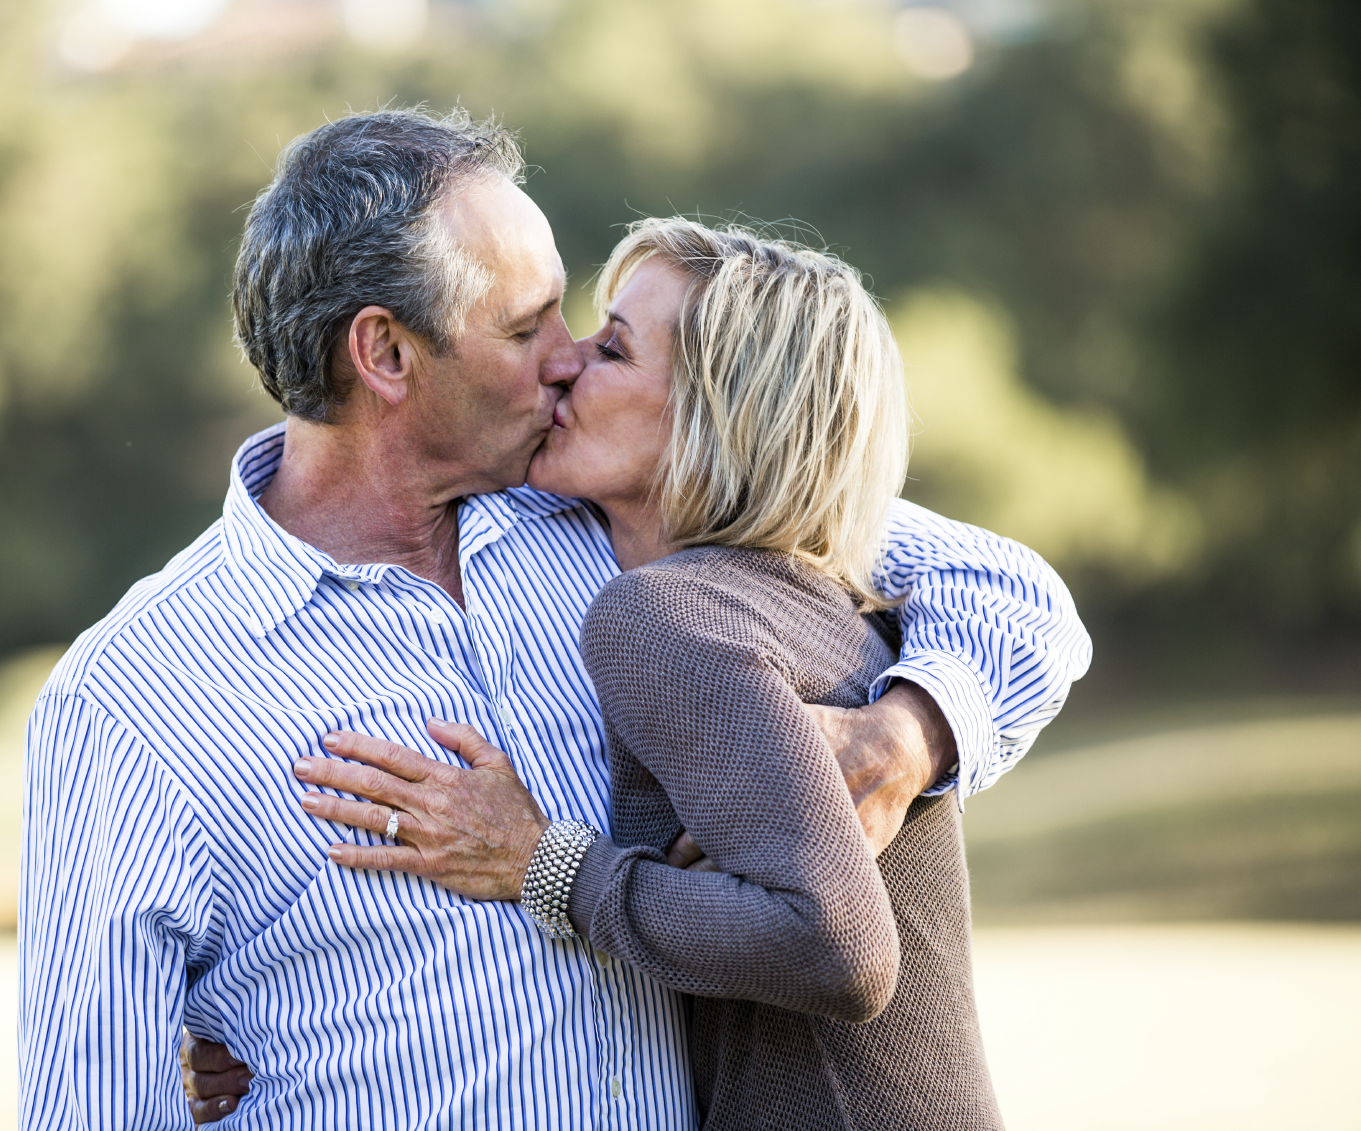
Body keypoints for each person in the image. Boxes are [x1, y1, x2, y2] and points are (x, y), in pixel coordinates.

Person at [21, 107, 1090, 1131]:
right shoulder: (131, 702)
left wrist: (904, 738)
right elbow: (95, 1098)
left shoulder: (622, 513)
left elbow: (1008, 593)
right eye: (528, 327)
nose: (570, 354)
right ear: (386, 355)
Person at [250, 218, 1005, 1128]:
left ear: (715, 410)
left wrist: (544, 862)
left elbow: (836, 948)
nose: (565, 365)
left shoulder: (663, 616)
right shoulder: (817, 598)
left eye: (612, 348)